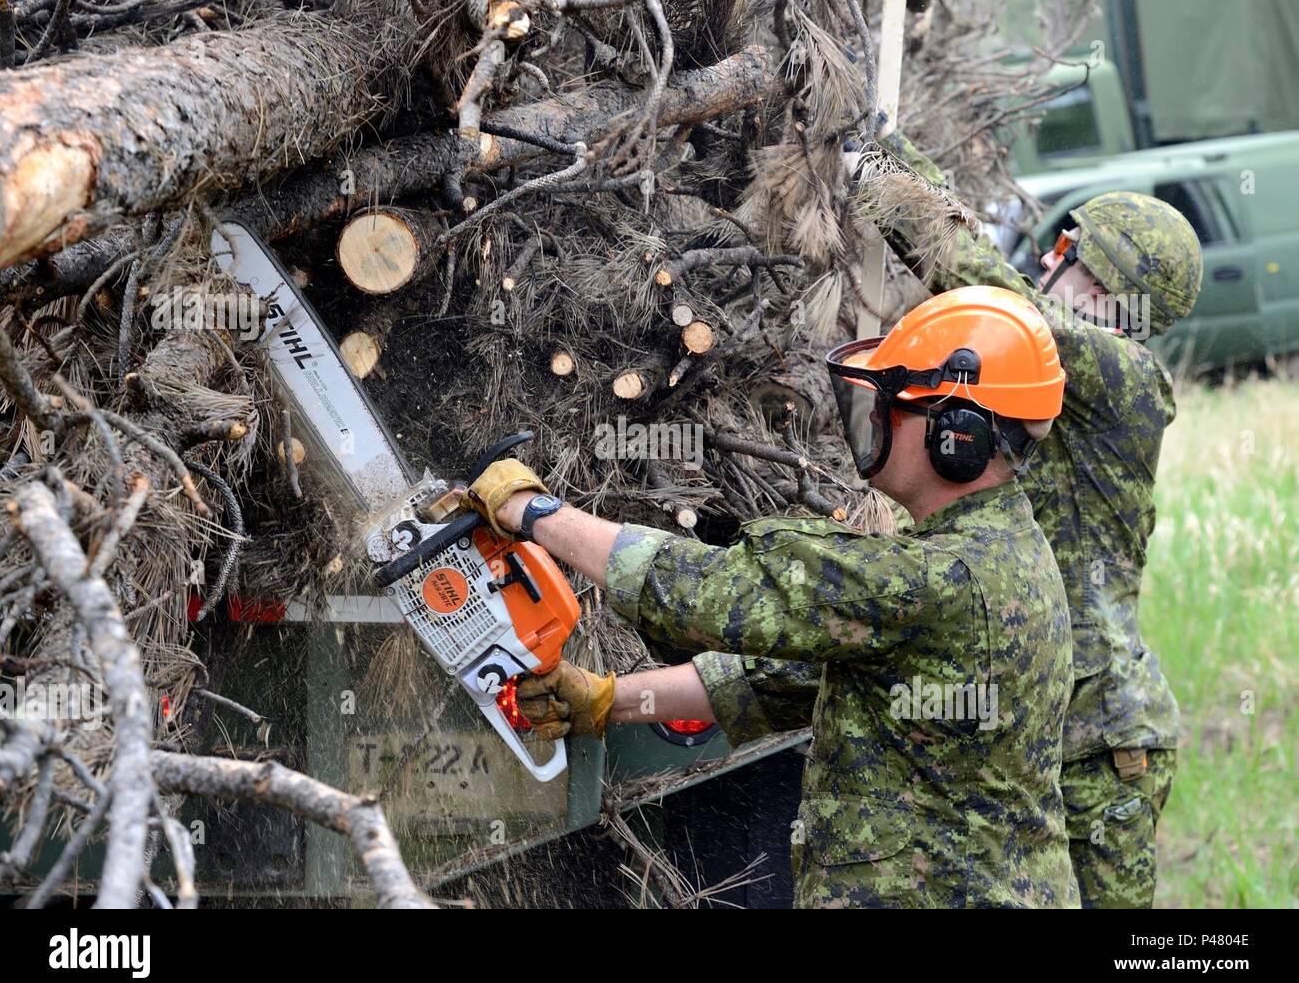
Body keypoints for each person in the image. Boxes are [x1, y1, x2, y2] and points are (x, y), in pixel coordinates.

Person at [463, 286, 1080, 908]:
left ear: (958, 435)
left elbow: (706, 593)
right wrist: (608, 700)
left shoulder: (937, 577)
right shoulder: (1003, 548)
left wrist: (532, 512)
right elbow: (785, 680)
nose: (876, 420)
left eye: (893, 405)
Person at [856, 131, 1201, 907]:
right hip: (1048, 727)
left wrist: (881, 165)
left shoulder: (1123, 378)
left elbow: (1000, 299)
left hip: (1101, 740)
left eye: (1065, 257)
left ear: (1106, 281)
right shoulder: (1065, 386)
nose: (1047, 265)